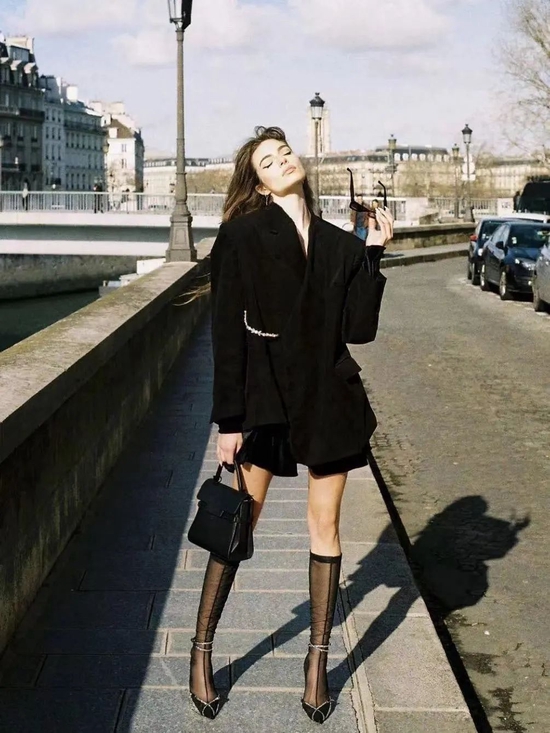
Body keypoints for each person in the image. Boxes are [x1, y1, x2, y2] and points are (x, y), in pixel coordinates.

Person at [188, 126, 393, 723]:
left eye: (285, 153)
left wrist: (373, 254)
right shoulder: (243, 234)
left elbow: (358, 330)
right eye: (268, 161)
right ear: (258, 183)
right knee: (240, 523)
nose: (282, 161)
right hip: (267, 395)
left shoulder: (338, 242)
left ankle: (316, 663)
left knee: (325, 526)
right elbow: (226, 333)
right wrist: (229, 420)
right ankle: (202, 649)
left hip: (328, 395)